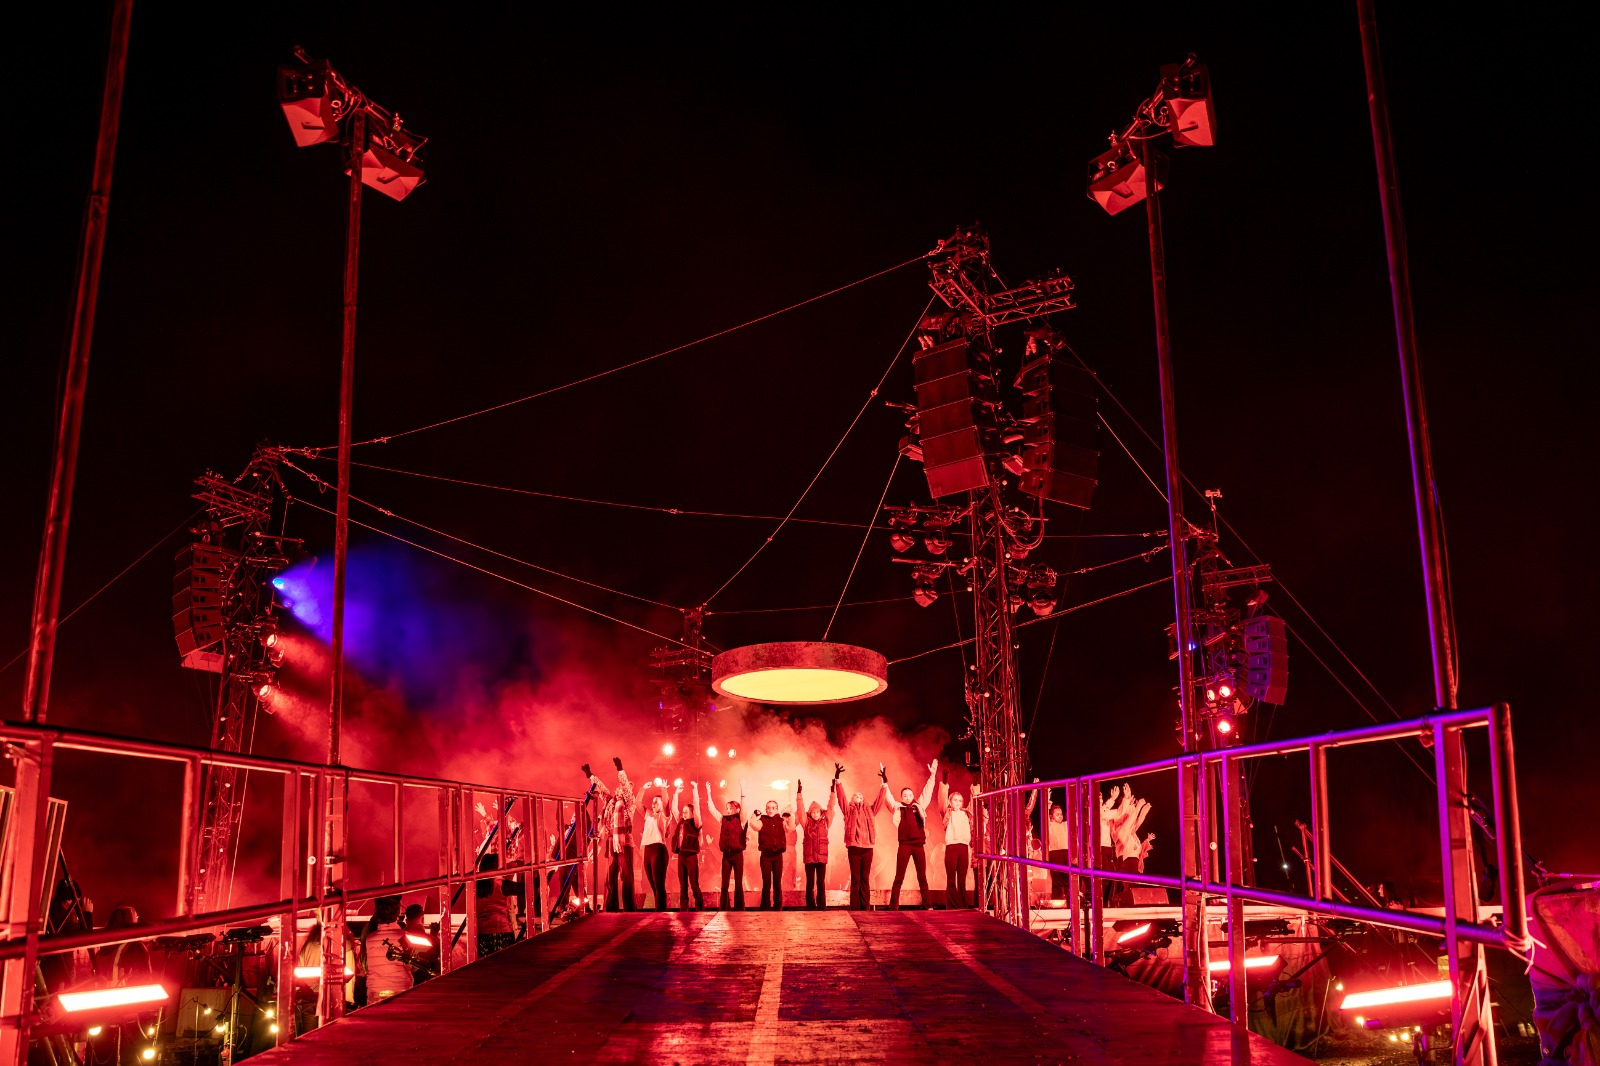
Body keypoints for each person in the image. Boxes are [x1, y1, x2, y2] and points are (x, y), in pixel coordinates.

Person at [887, 759, 938, 909]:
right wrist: (884, 783)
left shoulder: (919, 805)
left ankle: (927, 905)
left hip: (918, 846)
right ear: (901, 797)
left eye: (910, 795)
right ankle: (893, 906)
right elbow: (888, 798)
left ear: (913, 795)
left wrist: (933, 775)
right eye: (905, 795)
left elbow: (927, 791)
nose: (908, 797)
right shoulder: (898, 807)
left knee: (922, 877)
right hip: (904, 845)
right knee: (899, 877)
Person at [587, 758, 637, 911]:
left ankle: (629, 908)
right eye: (620, 788)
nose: (621, 789)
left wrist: (620, 770)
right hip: (610, 841)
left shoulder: (629, 803)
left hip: (625, 841)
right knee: (610, 876)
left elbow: (626, 787)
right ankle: (610, 907)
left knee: (627, 876)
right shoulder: (610, 802)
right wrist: (591, 776)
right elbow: (602, 790)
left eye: (625, 788)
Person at [839, 766, 889, 910]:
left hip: (867, 848)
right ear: (852, 799)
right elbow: (841, 798)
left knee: (865, 878)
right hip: (854, 848)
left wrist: (884, 784)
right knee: (855, 879)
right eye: (856, 796)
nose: (859, 797)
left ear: (863, 799)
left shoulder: (870, 810)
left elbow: (879, 801)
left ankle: (865, 907)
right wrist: (838, 781)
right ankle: (855, 908)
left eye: (861, 796)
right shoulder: (848, 810)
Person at [802, 764, 843, 909]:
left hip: (821, 857)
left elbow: (831, 807)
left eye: (817, 812)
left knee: (820, 882)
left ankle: (821, 906)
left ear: (821, 812)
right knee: (809, 882)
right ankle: (810, 906)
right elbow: (800, 811)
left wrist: (832, 792)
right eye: (812, 812)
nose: (815, 814)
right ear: (810, 813)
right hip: (809, 857)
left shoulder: (825, 822)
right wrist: (799, 795)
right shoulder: (806, 823)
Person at [705, 780, 749, 910]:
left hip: (737, 854)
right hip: (726, 855)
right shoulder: (723, 819)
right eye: (727, 808)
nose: (728, 810)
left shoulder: (741, 820)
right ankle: (724, 907)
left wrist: (742, 788)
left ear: (737, 809)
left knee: (738, 883)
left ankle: (739, 908)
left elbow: (744, 806)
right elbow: (712, 809)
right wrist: (708, 792)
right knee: (724, 884)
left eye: (731, 808)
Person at [362, 895, 414, 1003]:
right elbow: (412, 964)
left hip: (375, 989)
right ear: (397, 912)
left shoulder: (369, 939)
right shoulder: (405, 937)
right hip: (401, 989)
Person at [755, 784, 797, 910]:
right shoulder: (762, 820)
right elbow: (754, 826)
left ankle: (778, 907)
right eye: (768, 808)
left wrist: (791, 816)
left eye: (773, 808)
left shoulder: (781, 820)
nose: (770, 810)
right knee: (766, 883)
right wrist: (754, 816)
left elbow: (790, 828)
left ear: (777, 809)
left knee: (777, 883)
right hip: (766, 856)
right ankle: (765, 907)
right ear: (766, 809)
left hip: (778, 855)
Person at [475, 853, 523, 957]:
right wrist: (547, 872)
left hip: (480, 932)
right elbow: (524, 888)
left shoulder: (475, 885)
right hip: (500, 930)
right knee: (503, 962)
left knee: (485, 964)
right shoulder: (501, 884)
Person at [936, 768, 972, 908]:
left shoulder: (966, 813)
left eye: (960, 801)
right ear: (950, 802)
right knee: (951, 879)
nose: (957, 802)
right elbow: (941, 800)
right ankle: (951, 906)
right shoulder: (947, 812)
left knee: (962, 879)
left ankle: (963, 906)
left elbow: (974, 801)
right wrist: (944, 783)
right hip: (952, 847)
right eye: (955, 800)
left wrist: (975, 786)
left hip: (964, 847)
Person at [670, 780, 704, 910]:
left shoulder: (695, 822)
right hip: (681, 856)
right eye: (683, 812)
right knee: (682, 885)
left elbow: (697, 807)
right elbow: (674, 809)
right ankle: (683, 908)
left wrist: (695, 790)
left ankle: (699, 906)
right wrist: (676, 794)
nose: (683, 814)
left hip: (691, 856)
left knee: (694, 883)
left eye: (686, 812)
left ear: (691, 813)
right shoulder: (681, 821)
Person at [638, 782, 672, 911]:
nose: (653, 804)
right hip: (647, 850)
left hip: (658, 850)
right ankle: (659, 909)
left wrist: (663, 789)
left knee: (659, 884)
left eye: (656, 802)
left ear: (661, 804)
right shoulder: (648, 814)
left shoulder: (665, 815)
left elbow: (666, 803)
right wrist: (642, 789)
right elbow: (637, 803)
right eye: (652, 802)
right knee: (653, 885)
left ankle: (661, 910)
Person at [1046, 795, 1072, 900]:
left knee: (1068, 880)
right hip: (1055, 853)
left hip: (1067, 852)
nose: (1060, 816)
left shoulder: (1066, 824)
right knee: (1057, 880)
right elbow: (1044, 816)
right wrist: (1047, 802)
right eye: (1057, 814)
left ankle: (1070, 903)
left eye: (1061, 814)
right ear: (1051, 816)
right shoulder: (1049, 824)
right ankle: (1056, 901)